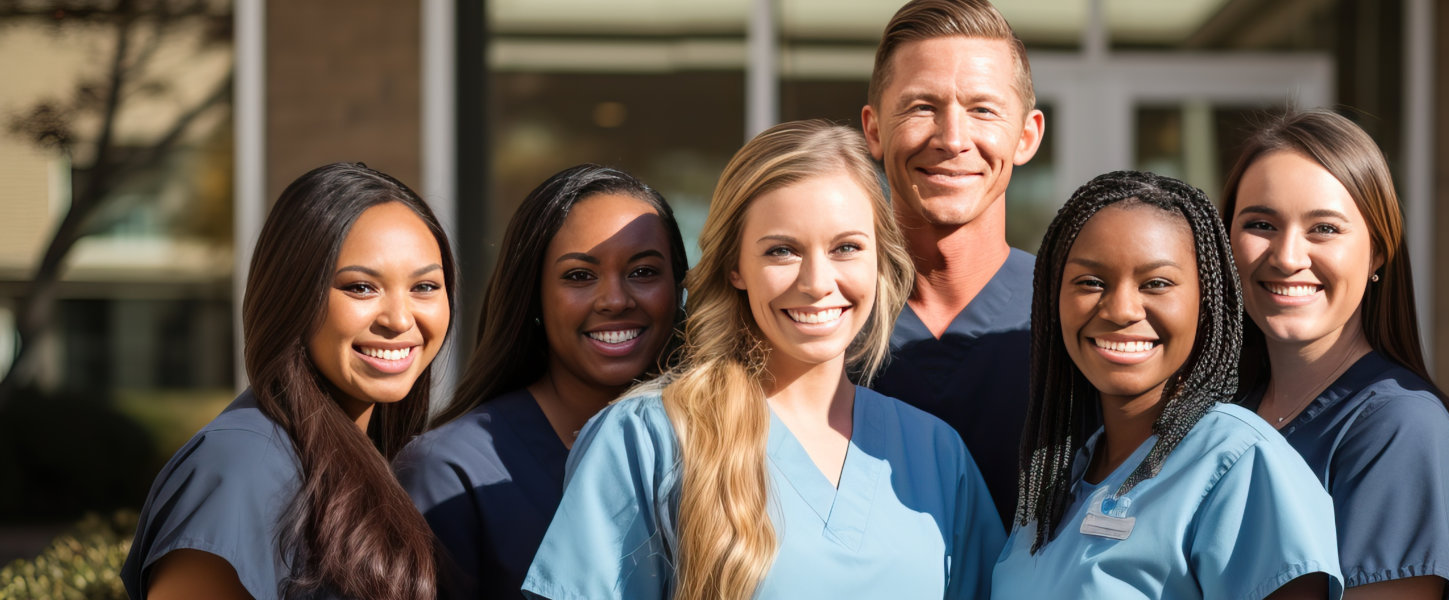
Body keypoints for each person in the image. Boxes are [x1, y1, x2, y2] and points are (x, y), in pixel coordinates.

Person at [521, 120, 1003, 600]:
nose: (817, 282)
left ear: (879, 260)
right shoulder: (648, 438)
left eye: (847, 248)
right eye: (782, 250)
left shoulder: (937, 454)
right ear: (735, 266)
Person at [993, 170, 1341, 600]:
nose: (1121, 309)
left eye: (1156, 283)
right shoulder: (1058, 477)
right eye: (1090, 282)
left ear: (1206, 302)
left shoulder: (1241, 465)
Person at [121, 162, 452, 600]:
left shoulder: (368, 454)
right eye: (360, 287)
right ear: (292, 296)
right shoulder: (238, 465)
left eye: (425, 286)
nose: (399, 319)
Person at [393, 165, 688, 599]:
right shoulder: (450, 473)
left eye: (643, 272)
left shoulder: (726, 445)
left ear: (680, 288)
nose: (615, 300)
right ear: (532, 295)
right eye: (579, 276)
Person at [1221, 109, 1449, 599]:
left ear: (1378, 251)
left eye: (1324, 229)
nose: (1288, 257)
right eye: (1261, 224)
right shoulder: (1223, 410)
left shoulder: (1401, 427)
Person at [860, 0, 1046, 527]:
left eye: (983, 109)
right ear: (874, 130)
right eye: (921, 107)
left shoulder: (1072, 314)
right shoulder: (822, 314)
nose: (953, 138)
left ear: (1027, 135)